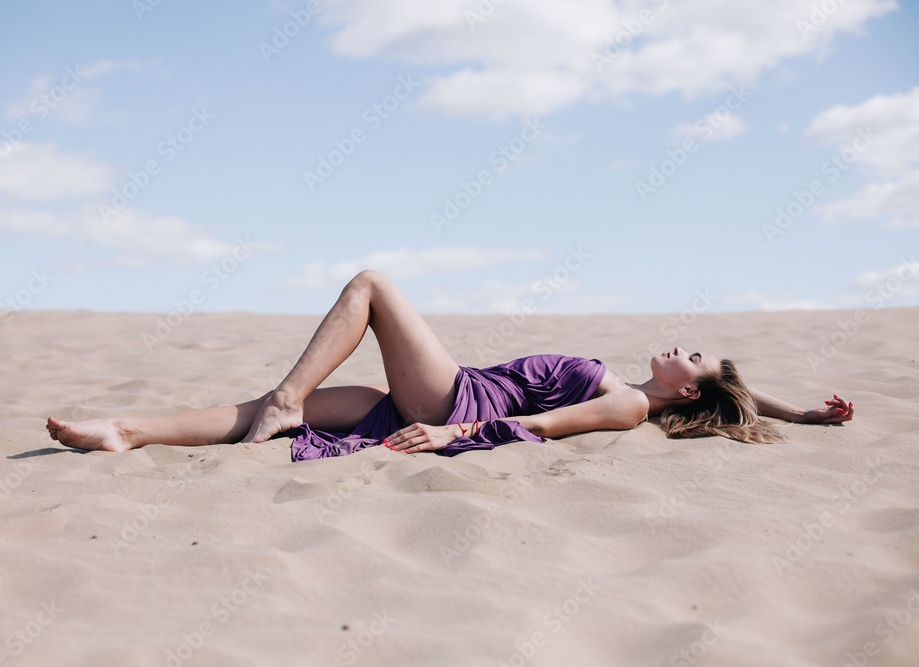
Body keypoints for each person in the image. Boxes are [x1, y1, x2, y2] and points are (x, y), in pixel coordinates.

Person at [46, 270, 854, 459]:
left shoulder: (631, 406)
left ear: (686, 387)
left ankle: (292, 397)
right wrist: (805, 415)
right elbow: (740, 394)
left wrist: (451, 431)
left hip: (452, 398)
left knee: (371, 285)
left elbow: (540, 423)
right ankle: (125, 430)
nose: (686, 345)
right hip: (440, 396)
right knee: (260, 407)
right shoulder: (641, 384)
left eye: (696, 356)